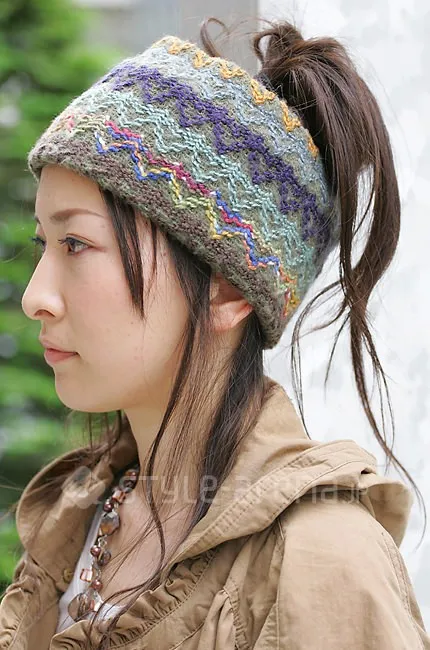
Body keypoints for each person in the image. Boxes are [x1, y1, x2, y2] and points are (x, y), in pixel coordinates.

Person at [0, 15, 428, 650]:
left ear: (226, 289)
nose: (36, 296)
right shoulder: (80, 521)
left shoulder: (324, 563)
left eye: (77, 244)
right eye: (43, 243)